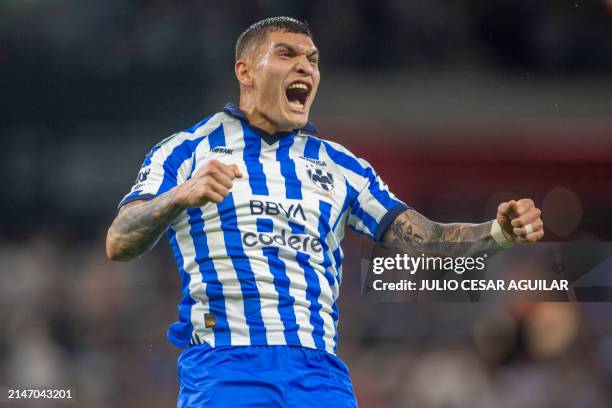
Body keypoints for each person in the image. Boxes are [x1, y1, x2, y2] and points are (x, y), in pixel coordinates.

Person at [106, 16, 544, 408]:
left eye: (312, 59)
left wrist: (500, 232)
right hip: (226, 367)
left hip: (318, 376)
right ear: (245, 72)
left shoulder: (342, 167)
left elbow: (425, 239)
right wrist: (179, 195)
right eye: (287, 54)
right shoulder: (185, 151)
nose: (305, 67)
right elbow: (119, 242)